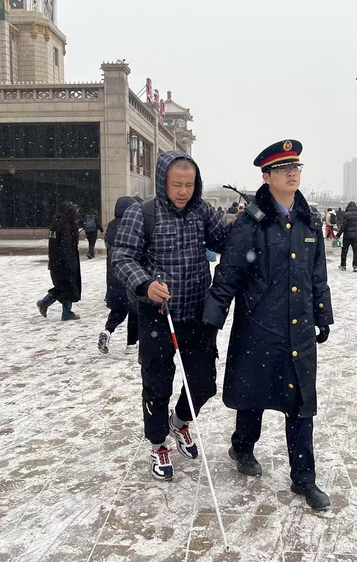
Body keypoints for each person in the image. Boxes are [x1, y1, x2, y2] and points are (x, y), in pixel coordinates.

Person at [203, 139, 333, 511]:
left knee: (301, 404)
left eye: (296, 167)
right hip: (259, 327)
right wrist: (212, 323)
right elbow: (228, 273)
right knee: (253, 396)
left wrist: (322, 314)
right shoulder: (250, 222)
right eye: (282, 168)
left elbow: (317, 274)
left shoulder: (309, 220)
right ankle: (242, 447)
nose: (292, 173)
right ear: (266, 175)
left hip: (300, 328)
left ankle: (304, 479)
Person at [112, 151, 228, 481]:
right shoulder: (142, 213)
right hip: (158, 317)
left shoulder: (203, 212)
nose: (182, 191)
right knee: (157, 384)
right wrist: (145, 284)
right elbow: (121, 258)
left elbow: (227, 243)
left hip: (197, 314)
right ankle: (158, 441)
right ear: (163, 181)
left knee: (204, 383)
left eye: (189, 185)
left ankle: (180, 422)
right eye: (176, 184)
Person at [98, 196, 139, 354]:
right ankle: (131, 344)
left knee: (118, 308)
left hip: (114, 275)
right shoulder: (132, 225)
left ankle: (108, 331)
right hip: (130, 275)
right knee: (134, 310)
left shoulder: (112, 226)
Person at [36, 202, 82, 321]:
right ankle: (47, 304)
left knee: (64, 287)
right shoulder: (66, 226)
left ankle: (65, 312)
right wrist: (71, 263)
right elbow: (66, 246)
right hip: (65, 262)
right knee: (66, 287)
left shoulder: (56, 225)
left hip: (56, 261)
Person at [335, 201, 357, 271]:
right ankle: (355, 265)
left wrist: (338, 235)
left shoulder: (346, 215)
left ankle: (343, 265)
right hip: (356, 236)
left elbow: (343, 226)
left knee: (344, 250)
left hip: (347, 235)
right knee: (356, 251)